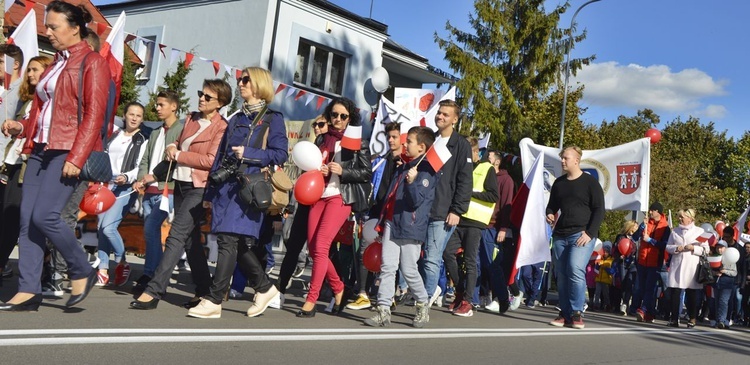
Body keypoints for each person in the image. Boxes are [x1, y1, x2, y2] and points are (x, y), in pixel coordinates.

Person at [0, 1, 110, 310]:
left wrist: (77, 157)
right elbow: (42, 109)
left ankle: (81, 268)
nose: (48, 31)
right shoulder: (56, 62)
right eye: (47, 25)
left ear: (75, 28)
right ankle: (28, 290)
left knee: (45, 216)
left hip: (67, 149)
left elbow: (93, 116)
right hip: (39, 148)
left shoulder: (92, 63)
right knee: (26, 221)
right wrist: (21, 127)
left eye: (53, 26)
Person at [188, 67, 288, 319]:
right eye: (241, 79)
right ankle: (265, 288)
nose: (240, 83)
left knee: (228, 241)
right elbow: (220, 157)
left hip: (249, 188)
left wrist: (251, 154)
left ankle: (213, 299)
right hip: (226, 188)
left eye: (246, 80)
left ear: (259, 85)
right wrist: (210, 193)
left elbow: (280, 153)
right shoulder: (235, 118)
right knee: (238, 243)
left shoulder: (272, 118)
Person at [130, 79, 230, 310]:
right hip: (181, 184)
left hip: (200, 187)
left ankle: (154, 290)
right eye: (201, 94)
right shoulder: (191, 119)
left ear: (220, 102)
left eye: (208, 97)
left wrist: (179, 155)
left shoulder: (222, 127)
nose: (202, 99)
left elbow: (209, 161)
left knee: (176, 234)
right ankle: (205, 290)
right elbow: (177, 142)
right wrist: (172, 147)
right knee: (190, 241)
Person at [297, 97, 372, 318]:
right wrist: (317, 170)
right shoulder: (322, 139)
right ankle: (339, 289)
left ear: (351, 118)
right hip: (318, 195)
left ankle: (311, 300)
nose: (337, 119)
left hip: (340, 197)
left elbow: (366, 174)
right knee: (313, 249)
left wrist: (343, 171)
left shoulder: (357, 142)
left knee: (321, 246)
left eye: (343, 116)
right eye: (334, 115)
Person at [364, 126, 436, 327]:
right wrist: (381, 224)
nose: (405, 144)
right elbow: (390, 198)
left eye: (410, 141)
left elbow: (415, 202)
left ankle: (422, 303)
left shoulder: (426, 171)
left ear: (421, 147)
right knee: (387, 267)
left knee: (409, 269)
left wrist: (413, 182)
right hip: (392, 223)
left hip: (411, 226)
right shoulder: (403, 166)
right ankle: (383, 309)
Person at [0, 56, 52, 287]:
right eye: (29, 70)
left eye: (35, 69)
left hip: (30, 165)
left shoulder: (49, 102)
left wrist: (19, 126)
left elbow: (33, 128)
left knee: (15, 218)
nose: (30, 74)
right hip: (12, 163)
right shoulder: (28, 101)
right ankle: (45, 269)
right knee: (12, 218)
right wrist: (13, 127)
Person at [420, 100, 473, 307]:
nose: (440, 117)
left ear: (455, 119)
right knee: (418, 255)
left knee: (432, 257)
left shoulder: (461, 145)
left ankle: (423, 301)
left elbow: (465, 180)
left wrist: (457, 210)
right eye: (439, 113)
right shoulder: (430, 140)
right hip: (423, 208)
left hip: (443, 211)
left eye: (445, 114)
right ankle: (422, 291)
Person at [546, 146, 605, 329]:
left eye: (566, 158)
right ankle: (564, 313)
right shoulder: (559, 183)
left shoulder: (590, 183)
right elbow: (551, 206)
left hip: (581, 235)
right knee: (562, 276)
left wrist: (590, 233)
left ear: (576, 160)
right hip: (560, 235)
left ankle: (577, 312)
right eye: (562, 158)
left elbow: (599, 210)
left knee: (575, 268)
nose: (562, 161)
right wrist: (549, 213)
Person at [131, 90, 183, 295]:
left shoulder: (181, 130)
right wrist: (142, 179)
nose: (157, 108)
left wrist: (155, 178)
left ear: (174, 106)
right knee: (150, 233)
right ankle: (155, 274)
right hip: (149, 190)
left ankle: (151, 273)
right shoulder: (155, 132)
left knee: (151, 229)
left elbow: (174, 162)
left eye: (162, 104)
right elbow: (145, 159)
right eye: (157, 104)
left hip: (166, 191)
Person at [273, 115, 328, 303]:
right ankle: (279, 290)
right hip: (306, 201)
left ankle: (327, 290)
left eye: (321, 124)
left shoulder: (333, 146)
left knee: (320, 250)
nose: (317, 128)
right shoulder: (313, 146)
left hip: (324, 203)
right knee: (293, 245)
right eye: (315, 125)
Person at [349, 121, 403, 311]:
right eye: (388, 137)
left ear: (402, 139)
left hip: (394, 215)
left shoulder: (406, 162)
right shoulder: (381, 159)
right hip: (374, 212)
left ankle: (389, 295)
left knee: (390, 257)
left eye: (394, 137)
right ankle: (363, 293)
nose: (390, 140)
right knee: (365, 249)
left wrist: (403, 166)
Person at [443, 137, 498, 317]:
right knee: (447, 252)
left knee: (470, 260)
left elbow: (493, 196)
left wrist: (471, 193)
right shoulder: (463, 166)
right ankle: (460, 292)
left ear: (476, 152)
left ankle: (468, 301)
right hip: (459, 218)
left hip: (475, 222)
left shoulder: (487, 168)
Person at [95, 102, 148, 287]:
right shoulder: (115, 134)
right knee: (101, 227)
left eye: (138, 115)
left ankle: (122, 263)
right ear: (124, 115)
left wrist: (126, 177)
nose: (134, 118)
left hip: (125, 187)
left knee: (109, 227)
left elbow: (140, 166)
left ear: (142, 119)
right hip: (105, 185)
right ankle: (102, 269)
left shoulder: (142, 139)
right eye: (131, 114)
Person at [664, 208, 707, 328]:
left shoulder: (699, 231)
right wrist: (676, 249)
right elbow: (668, 247)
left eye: (682, 217)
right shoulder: (675, 231)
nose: (680, 219)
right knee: (675, 292)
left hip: (691, 266)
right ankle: (674, 319)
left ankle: (692, 318)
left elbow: (706, 249)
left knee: (691, 293)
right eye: (679, 217)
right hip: (677, 264)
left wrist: (694, 248)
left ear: (690, 218)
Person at [630, 202, 671, 322]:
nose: (650, 212)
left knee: (650, 288)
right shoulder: (646, 223)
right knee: (641, 288)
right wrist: (641, 228)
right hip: (642, 260)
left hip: (655, 262)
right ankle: (650, 312)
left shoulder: (665, 228)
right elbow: (635, 237)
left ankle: (642, 309)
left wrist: (651, 240)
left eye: (652, 210)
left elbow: (665, 245)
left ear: (658, 212)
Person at [713, 239, 737, 329]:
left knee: (723, 301)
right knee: (717, 301)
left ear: (726, 248)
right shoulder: (714, 257)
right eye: (718, 247)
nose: (719, 249)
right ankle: (718, 320)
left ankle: (722, 320)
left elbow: (734, 272)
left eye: (721, 248)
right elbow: (709, 270)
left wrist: (725, 271)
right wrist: (715, 273)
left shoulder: (730, 258)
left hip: (727, 282)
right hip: (716, 282)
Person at [594, 243, 614, 311]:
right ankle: (596, 305)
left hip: (606, 280)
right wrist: (598, 265)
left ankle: (607, 305)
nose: (605, 253)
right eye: (604, 251)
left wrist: (605, 268)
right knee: (597, 293)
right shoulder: (600, 258)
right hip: (598, 279)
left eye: (607, 252)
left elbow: (612, 271)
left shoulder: (611, 260)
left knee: (606, 294)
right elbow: (596, 268)